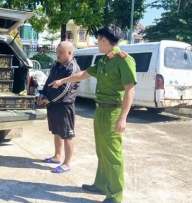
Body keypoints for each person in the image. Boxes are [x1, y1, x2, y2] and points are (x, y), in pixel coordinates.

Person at [49, 24, 137, 203]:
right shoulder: (104, 60)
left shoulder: (124, 59)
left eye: (98, 40)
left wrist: (123, 118)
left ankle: (115, 195)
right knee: (101, 151)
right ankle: (101, 184)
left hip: (113, 112)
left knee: (113, 155)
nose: (97, 43)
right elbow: (82, 75)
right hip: (100, 111)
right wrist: (62, 80)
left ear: (105, 40)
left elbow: (130, 90)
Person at [38, 41, 81, 173]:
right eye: (57, 53)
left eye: (61, 53)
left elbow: (65, 90)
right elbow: (48, 82)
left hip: (64, 106)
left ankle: (67, 163)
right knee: (56, 132)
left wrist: (49, 99)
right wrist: (42, 94)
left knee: (67, 135)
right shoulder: (56, 66)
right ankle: (57, 156)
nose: (58, 55)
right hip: (53, 105)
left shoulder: (72, 68)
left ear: (70, 53)